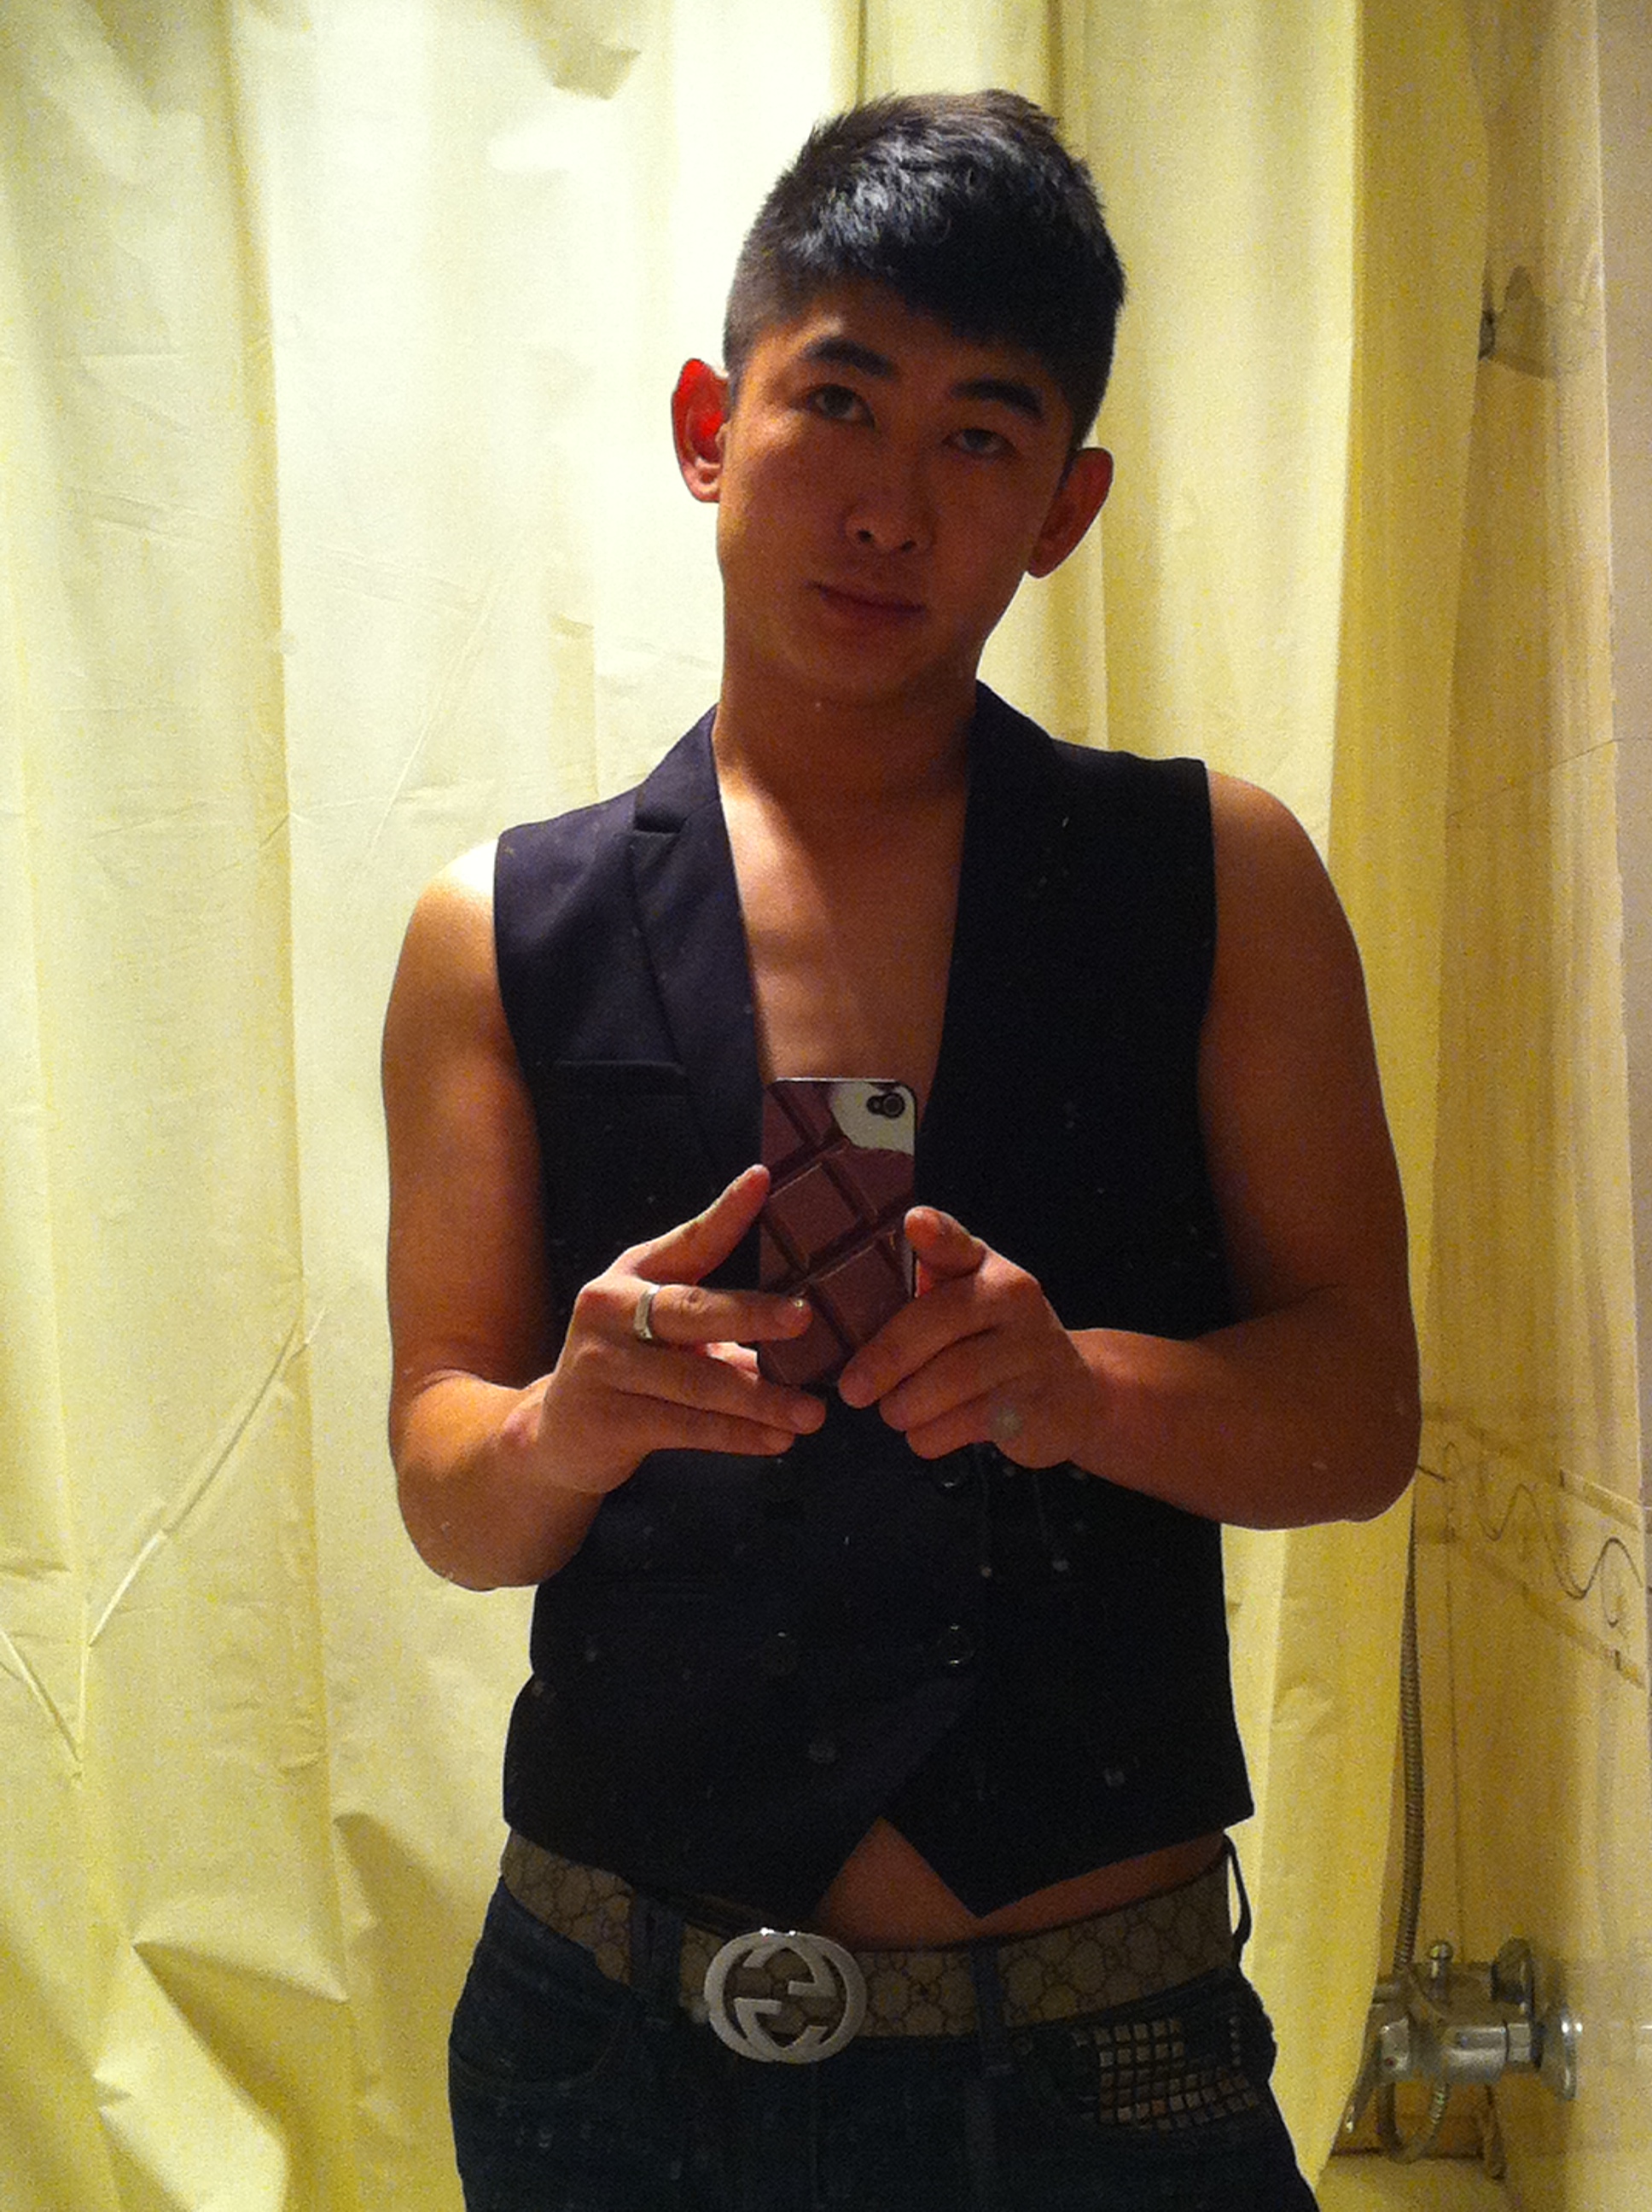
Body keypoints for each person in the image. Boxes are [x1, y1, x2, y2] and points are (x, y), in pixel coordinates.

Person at [382, 90, 1418, 2212]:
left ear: (1063, 506)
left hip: (1099, 2061)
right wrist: (570, 1421)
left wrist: (1074, 1388)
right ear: (710, 426)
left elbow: (1357, 1417)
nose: (885, 505)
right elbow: (449, 1489)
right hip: (610, 2055)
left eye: (978, 434)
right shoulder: (497, 930)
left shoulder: (1213, 878)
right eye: (836, 402)